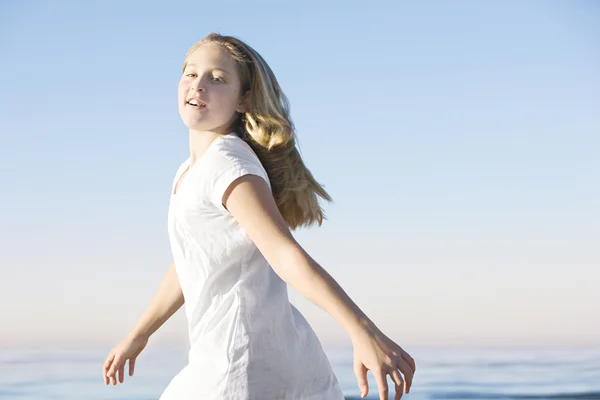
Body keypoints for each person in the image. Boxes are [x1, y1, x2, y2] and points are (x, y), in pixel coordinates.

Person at [102, 32, 416, 400]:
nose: (198, 85)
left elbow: (284, 253)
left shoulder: (227, 163)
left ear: (243, 99)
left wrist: (362, 330)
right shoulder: (190, 171)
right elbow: (192, 261)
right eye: (190, 73)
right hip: (233, 360)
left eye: (217, 78)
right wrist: (139, 333)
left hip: (245, 366)